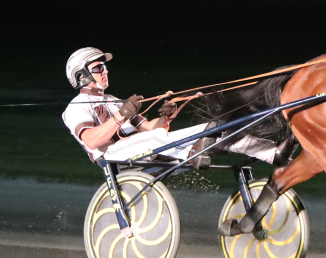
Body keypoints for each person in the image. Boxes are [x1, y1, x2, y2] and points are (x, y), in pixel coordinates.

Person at [62, 47, 283, 168]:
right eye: (99, 68)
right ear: (82, 76)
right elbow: (90, 140)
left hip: (141, 145)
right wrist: (122, 115)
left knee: (213, 128)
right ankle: (193, 152)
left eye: (105, 67)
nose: (105, 71)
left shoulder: (113, 101)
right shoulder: (76, 108)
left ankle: (274, 153)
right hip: (112, 155)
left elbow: (150, 129)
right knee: (157, 137)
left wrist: (165, 118)